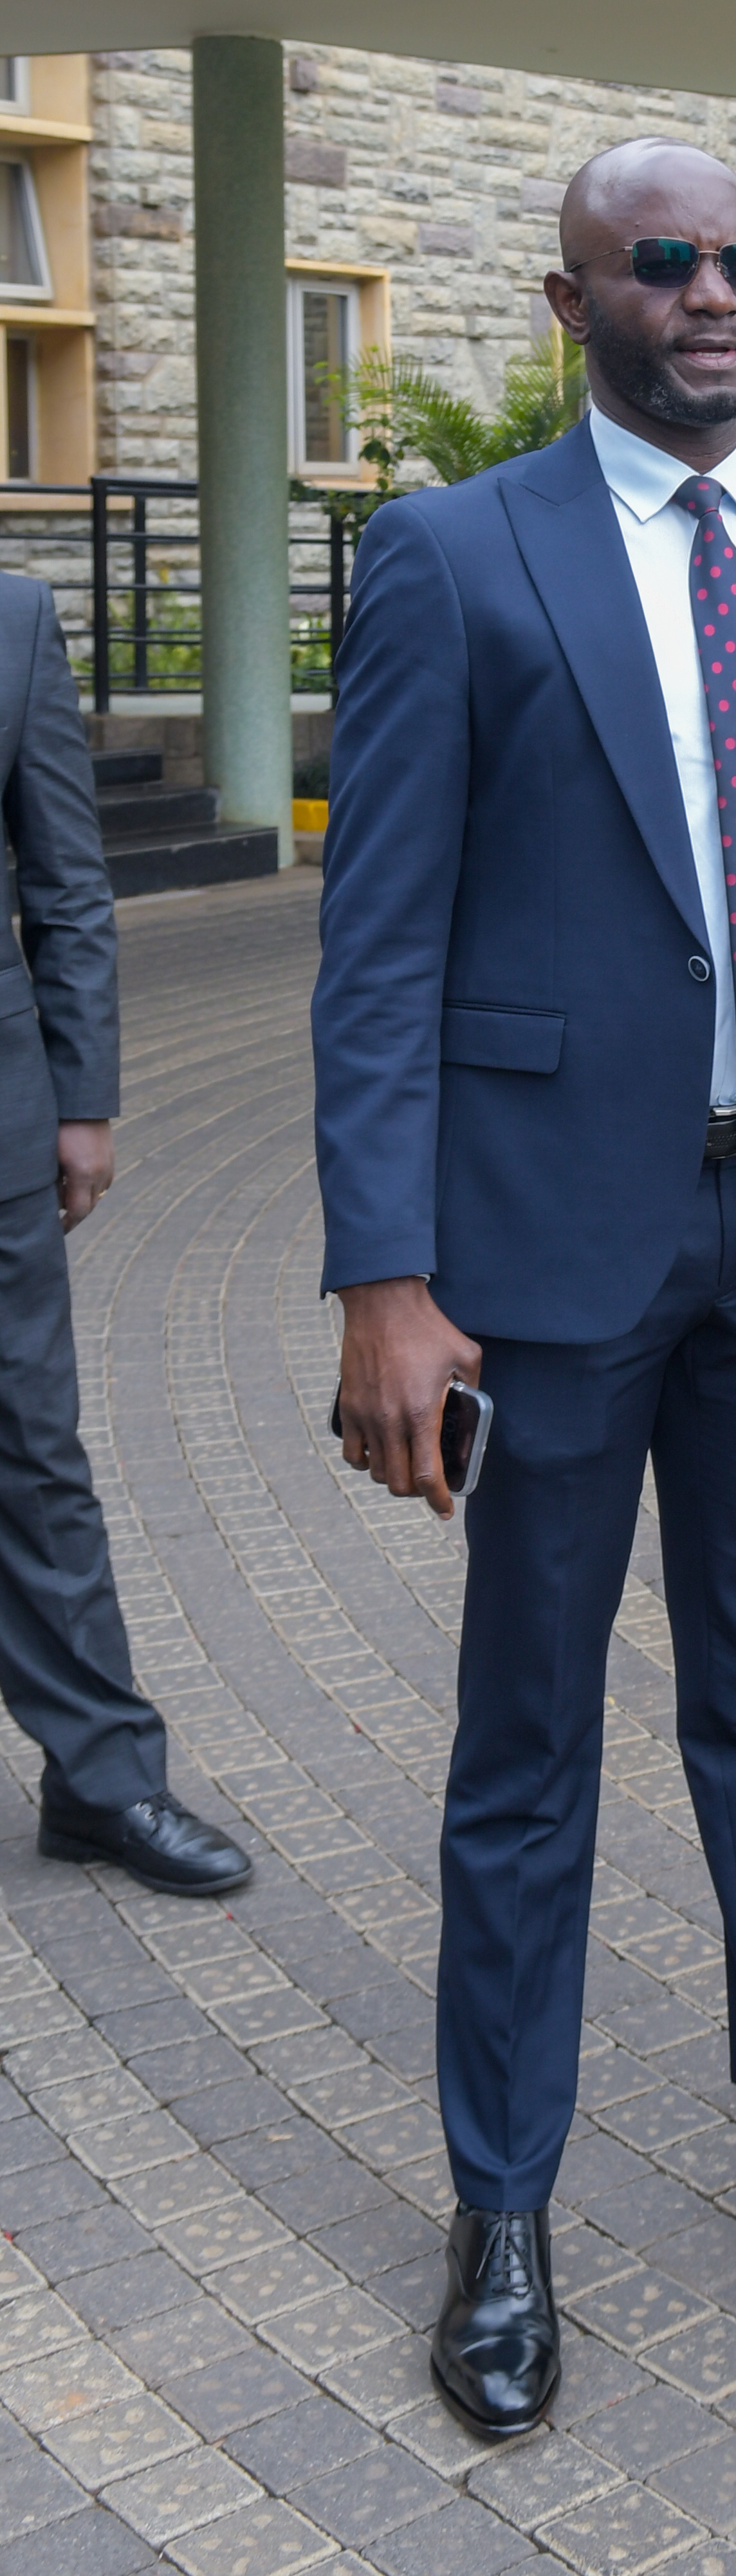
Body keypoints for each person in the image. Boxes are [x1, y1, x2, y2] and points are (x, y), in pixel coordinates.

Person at [313, 142, 736, 2441]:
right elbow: (377, 942)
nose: (716, 293)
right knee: (528, 1741)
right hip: (551, 1257)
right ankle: (501, 2200)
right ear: (575, 286)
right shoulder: (455, 553)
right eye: (667, 260)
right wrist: (383, 1273)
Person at [0, 576, 252, 1897]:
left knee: (31, 1454)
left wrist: (82, 1101)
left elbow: (66, 883)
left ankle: (101, 1782)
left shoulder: (11, 622)